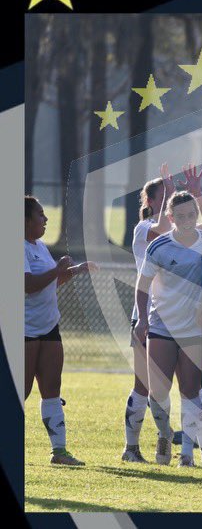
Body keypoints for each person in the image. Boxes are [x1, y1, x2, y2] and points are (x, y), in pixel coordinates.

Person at [135, 191, 202, 467]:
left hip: (194, 328)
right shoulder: (159, 246)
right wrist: (142, 320)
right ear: (170, 217)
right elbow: (142, 286)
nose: (186, 220)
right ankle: (163, 433)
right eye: (180, 216)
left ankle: (187, 454)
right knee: (157, 392)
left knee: (191, 390)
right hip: (161, 324)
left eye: (191, 215)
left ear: (197, 216)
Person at [25, 196, 98, 466]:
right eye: (40, 215)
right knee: (20, 390)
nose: (45, 219)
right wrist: (57, 269)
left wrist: (74, 271)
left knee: (52, 389)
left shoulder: (40, 246)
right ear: (24, 220)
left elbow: (50, 284)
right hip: (24, 328)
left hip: (49, 325)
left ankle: (60, 452)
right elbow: (28, 285)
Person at [122, 163, 173, 463]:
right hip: (146, 316)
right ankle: (131, 449)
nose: (170, 200)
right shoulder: (145, 228)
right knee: (143, 384)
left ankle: (172, 444)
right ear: (150, 202)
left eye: (172, 195)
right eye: (163, 195)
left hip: (176, 318)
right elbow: (163, 230)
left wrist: (190, 196)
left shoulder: (181, 229)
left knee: (171, 388)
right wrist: (176, 197)